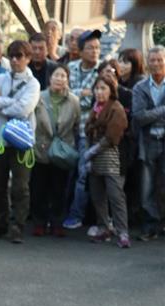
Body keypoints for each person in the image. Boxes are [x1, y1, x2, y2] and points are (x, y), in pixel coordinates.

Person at [0, 40, 40, 243]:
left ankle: (18, 225)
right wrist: (11, 103)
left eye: (20, 56)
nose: (16, 60)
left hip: (21, 140)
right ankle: (0, 223)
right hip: (0, 139)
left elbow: (24, 108)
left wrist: (2, 106)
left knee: (20, 186)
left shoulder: (33, 83)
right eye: (13, 56)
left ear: (28, 58)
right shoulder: (1, 78)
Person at [31, 64, 80, 236]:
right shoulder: (39, 97)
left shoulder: (74, 101)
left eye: (63, 76)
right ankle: (39, 221)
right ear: (50, 78)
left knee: (59, 189)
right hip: (41, 148)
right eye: (56, 75)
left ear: (67, 79)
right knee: (39, 188)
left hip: (63, 151)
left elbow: (77, 125)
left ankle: (57, 221)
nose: (59, 79)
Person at [63, 28, 102, 230]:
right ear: (81, 50)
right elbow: (65, 94)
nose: (95, 51)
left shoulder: (103, 70)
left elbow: (97, 98)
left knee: (83, 175)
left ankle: (76, 215)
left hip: (89, 132)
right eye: (90, 47)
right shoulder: (71, 66)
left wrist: (79, 95)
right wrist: (83, 94)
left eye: (97, 47)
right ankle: (61, 213)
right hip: (68, 130)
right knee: (65, 174)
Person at [85, 74, 129, 248]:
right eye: (97, 88)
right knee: (97, 196)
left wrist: (92, 151)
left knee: (116, 196)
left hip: (112, 157)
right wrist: (89, 155)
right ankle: (104, 227)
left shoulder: (116, 108)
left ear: (111, 91)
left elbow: (112, 136)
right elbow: (89, 131)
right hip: (95, 159)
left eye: (103, 88)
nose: (99, 92)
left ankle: (122, 232)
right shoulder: (95, 108)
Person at [132, 46, 165, 242]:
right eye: (152, 60)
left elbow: (146, 115)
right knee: (147, 186)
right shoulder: (140, 88)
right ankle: (149, 225)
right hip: (148, 141)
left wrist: (152, 114)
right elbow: (139, 117)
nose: (156, 64)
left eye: (160, 60)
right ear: (147, 62)